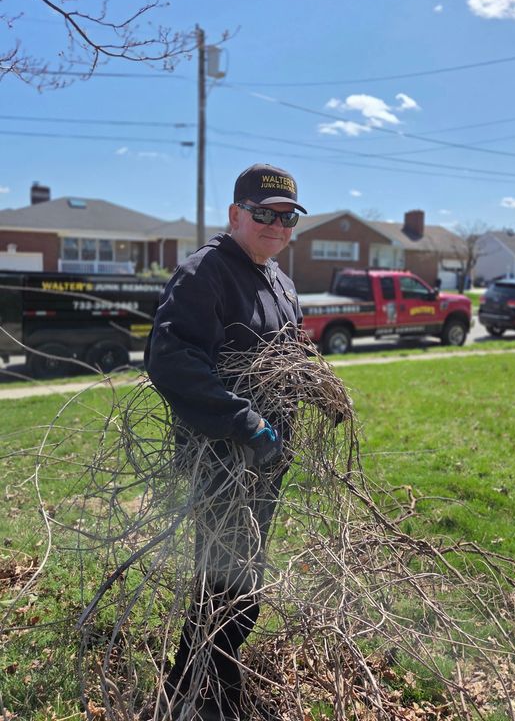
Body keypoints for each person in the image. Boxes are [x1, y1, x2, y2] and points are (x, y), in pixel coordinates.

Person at [144, 163, 307, 721]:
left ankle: (200, 693)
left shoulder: (278, 278)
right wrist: (246, 424)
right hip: (222, 460)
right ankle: (199, 700)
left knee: (240, 585)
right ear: (236, 215)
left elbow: (290, 354)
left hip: (265, 464)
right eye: (263, 213)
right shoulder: (205, 273)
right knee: (227, 589)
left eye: (286, 216)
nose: (276, 224)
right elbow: (172, 360)